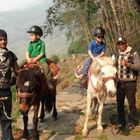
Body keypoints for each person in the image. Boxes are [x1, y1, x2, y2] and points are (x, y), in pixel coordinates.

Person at [115, 36, 140, 131]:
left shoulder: (133, 53)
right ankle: (121, 121)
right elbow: (111, 65)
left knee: (131, 104)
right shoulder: (116, 55)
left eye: (123, 43)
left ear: (126, 43)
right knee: (120, 104)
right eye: (119, 44)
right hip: (120, 83)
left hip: (130, 83)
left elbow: (138, 66)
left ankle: (132, 121)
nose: (121, 45)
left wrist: (128, 64)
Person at [0, 29, 19, 139]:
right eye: (0, 39)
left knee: (6, 120)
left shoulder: (11, 55)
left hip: (6, 92)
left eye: (5, 39)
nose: (3, 41)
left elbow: (17, 71)